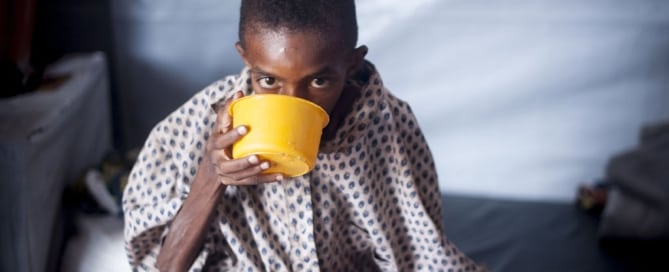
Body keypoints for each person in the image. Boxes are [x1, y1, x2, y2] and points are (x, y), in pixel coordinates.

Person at [123, 0, 483, 271]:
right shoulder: (201, 121)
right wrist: (210, 177)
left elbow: (417, 256)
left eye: (319, 81)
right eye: (269, 80)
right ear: (246, 58)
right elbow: (164, 267)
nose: (293, 102)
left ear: (352, 64)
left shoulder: (388, 123)